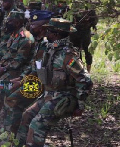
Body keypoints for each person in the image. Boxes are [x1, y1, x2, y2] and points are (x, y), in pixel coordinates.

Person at [17, 18, 93, 147]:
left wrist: (80, 105)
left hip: (63, 97)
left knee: (37, 125)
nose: (46, 33)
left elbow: (85, 80)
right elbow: (37, 67)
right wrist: (22, 78)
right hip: (49, 95)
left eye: (49, 31)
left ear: (56, 34)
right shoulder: (50, 49)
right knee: (27, 115)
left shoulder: (68, 56)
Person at [4, 10, 52, 135]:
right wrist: (21, 78)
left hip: (40, 84)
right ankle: (11, 131)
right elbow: (33, 65)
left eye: (34, 25)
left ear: (42, 27)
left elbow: (39, 71)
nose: (31, 26)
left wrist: (21, 82)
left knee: (12, 100)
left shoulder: (46, 44)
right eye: (31, 23)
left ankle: (16, 136)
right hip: (33, 79)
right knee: (5, 89)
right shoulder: (39, 41)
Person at [0, 10, 35, 128]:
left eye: (10, 21)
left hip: (18, 73)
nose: (7, 23)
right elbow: (8, 54)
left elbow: (19, 61)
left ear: (17, 22)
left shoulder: (25, 37)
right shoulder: (14, 34)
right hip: (8, 68)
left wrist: (4, 69)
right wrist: (0, 66)